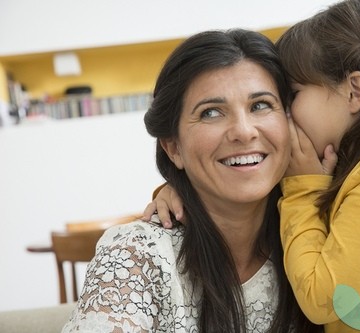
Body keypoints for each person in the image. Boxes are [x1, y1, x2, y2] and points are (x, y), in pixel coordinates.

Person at [144, 0, 360, 332]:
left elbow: (323, 300)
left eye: (293, 93)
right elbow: (250, 193)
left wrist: (302, 188)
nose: (288, 114)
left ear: (354, 92)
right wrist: (181, 187)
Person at [62, 29, 322, 332]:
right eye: (211, 112)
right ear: (173, 147)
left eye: (260, 105)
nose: (244, 131)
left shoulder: (320, 239)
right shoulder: (136, 257)